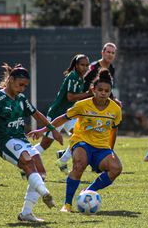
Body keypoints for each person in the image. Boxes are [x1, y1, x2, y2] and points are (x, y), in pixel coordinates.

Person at [0, 64, 61, 222]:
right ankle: (45, 193)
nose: (22, 89)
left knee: (41, 171)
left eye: (25, 86)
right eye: (20, 85)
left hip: (20, 138)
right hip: (5, 141)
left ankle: (26, 213)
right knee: (27, 162)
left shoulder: (21, 98)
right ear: (10, 80)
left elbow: (36, 114)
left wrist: (52, 129)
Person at [28, 68, 122, 213]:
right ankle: (67, 205)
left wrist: (111, 149)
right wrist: (42, 131)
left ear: (110, 92)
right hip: (82, 142)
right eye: (100, 90)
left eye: (107, 91)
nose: (103, 93)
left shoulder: (115, 109)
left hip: (102, 147)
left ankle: (88, 192)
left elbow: (114, 130)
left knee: (116, 168)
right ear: (93, 89)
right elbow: (62, 118)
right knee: (79, 165)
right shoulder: (82, 105)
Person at [56, 42, 121, 166]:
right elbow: (80, 82)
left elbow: (107, 88)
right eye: (108, 51)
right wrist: (84, 97)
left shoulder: (111, 68)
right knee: (85, 134)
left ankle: (64, 156)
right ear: (102, 52)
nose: (110, 55)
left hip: (97, 104)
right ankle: (65, 158)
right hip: (85, 105)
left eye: (113, 53)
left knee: (85, 134)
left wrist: (114, 99)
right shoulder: (92, 67)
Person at [32, 54, 92, 174]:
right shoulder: (74, 76)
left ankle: (62, 159)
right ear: (76, 65)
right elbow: (70, 97)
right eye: (82, 65)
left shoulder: (79, 78)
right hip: (57, 114)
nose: (85, 67)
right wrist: (88, 94)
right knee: (45, 145)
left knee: (80, 136)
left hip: (68, 115)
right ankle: (26, 157)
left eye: (87, 65)